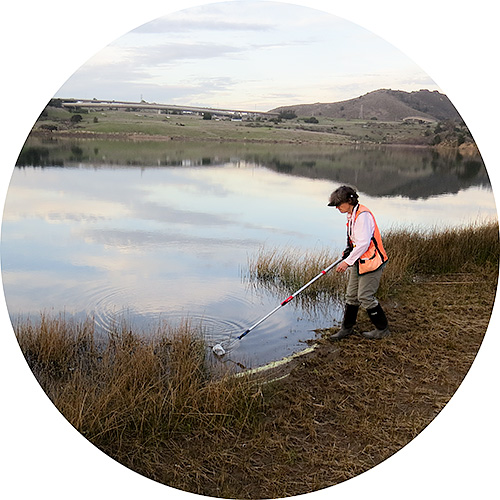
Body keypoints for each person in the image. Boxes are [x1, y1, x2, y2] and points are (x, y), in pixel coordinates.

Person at [327, 185, 390, 340]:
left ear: (350, 201)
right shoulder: (352, 214)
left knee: (365, 296)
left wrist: (347, 262)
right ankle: (346, 329)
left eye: (339, 204)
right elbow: (355, 241)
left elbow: (363, 243)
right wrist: (348, 249)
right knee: (351, 296)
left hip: (372, 262)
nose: (337, 208)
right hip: (360, 261)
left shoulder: (362, 215)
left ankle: (382, 330)